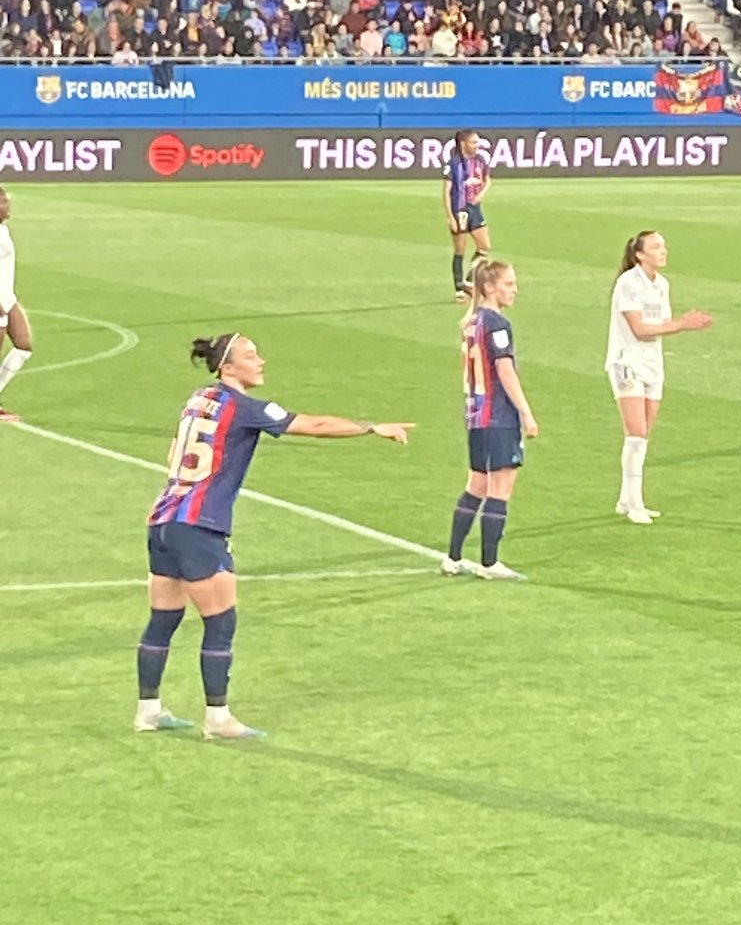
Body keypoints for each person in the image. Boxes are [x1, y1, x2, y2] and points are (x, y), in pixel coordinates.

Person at [135, 332, 414, 739]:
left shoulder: (197, 399)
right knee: (221, 623)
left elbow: (173, 453)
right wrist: (372, 427)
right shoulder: (246, 408)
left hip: (163, 520)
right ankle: (218, 719)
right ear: (228, 367)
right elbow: (314, 425)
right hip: (199, 526)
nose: (261, 361)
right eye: (251, 356)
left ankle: (148, 711)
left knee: (163, 619)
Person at [605, 231, 712, 525]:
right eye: (656, 247)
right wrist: (682, 324)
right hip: (627, 362)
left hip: (653, 364)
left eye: (663, 246)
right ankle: (636, 503)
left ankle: (625, 499)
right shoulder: (628, 283)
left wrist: (682, 324)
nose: (663, 251)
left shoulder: (662, 285)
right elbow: (639, 329)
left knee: (643, 435)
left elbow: (662, 324)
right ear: (640, 255)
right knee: (636, 432)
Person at [442, 259, 537, 581]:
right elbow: (504, 370)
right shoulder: (496, 323)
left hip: (475, 416)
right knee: (500, 487)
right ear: (489, 287)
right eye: (508, 284)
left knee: (476, 485)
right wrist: (525, 412)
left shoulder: (471, 323)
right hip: (498, 416)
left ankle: (453, 557)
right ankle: (489, 563)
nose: (515, 290)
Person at [442, 130, 492, 302]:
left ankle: (469, 281)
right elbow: (446, 191)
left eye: (477, 142)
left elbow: (488, 180)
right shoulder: (453, 164)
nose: (476, 146)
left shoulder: (480, 160)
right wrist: (450, 217)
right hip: (459, 209)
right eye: (473, 142)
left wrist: (481, 194)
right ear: (463, 143)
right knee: (460, 250)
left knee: (484, 246)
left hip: (475, 209)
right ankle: (459, 290)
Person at [0, 188, 34, 422]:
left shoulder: (3, 229)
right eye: (4, 202)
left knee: (23, 346)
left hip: (7, 298)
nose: (9, 206)